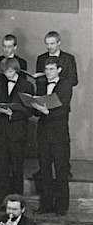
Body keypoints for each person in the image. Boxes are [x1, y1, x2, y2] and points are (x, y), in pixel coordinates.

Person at [30, 57, 73, 216]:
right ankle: (46, 205)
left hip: (59, 134)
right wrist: (34, 107)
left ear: (59, 70)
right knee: (45, 171)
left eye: (51, 69)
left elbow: (64, 110)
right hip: (43, 133)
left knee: (61, 172)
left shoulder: (66, 85)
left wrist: (47, 111)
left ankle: (61, 207)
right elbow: (36, 111)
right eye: (46, 69)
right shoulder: (41, 84)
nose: (48, 72)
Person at [0, 58, 33, 202]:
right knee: (2, 169)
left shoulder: (27, 85)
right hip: (1, 131)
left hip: (17, 132)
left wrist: (12, 114)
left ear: (16, 70)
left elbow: (30, 111)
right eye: (5, 72)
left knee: (16, 169)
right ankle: (3, 202)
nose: (7, 74)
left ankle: (17, 203)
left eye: (10, 71)